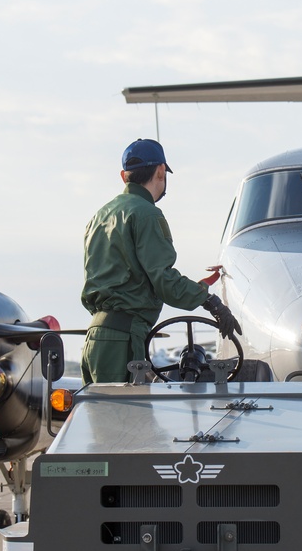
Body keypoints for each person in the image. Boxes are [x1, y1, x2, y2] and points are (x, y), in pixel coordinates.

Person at [81, 138, 241, 384]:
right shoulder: (147, 215)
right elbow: (164, 280)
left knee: (98, 419)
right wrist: (210, 302)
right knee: (127, 420)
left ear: (124, 176)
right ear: (160, 171)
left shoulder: (100, 216)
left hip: (94, 339)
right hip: (123, 340)